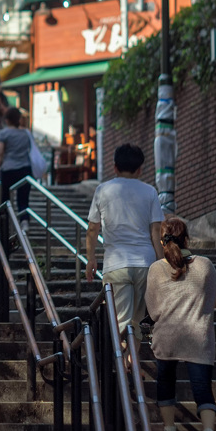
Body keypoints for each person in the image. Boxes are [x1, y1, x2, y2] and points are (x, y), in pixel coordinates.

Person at [145, 217, 216, 431]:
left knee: (165, 384)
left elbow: (153, 311)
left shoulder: (156, 269)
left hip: (167, 338)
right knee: (202, 389)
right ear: (187, 239)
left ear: (161, 240)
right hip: (197, 337)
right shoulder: (205, 265)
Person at [85, 143, 165, 334]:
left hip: (115, 263)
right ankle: (131, 361)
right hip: (145, 262)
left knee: (120, 321)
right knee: (136, 321)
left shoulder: (103, 190)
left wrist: (91, 259)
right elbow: (156, 232)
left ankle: (124, 361)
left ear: (115, 167)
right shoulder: (150, 192)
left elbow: (92, 229)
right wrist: (162, 263)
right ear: (140, 169)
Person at [0, 108, 33, 232]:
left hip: (8, 169)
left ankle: (4, 225)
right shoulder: (26, 133)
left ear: (7, 120)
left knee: (5, 198)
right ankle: (24, 221)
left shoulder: (3, 133)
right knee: (23, 198)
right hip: (25, 169)